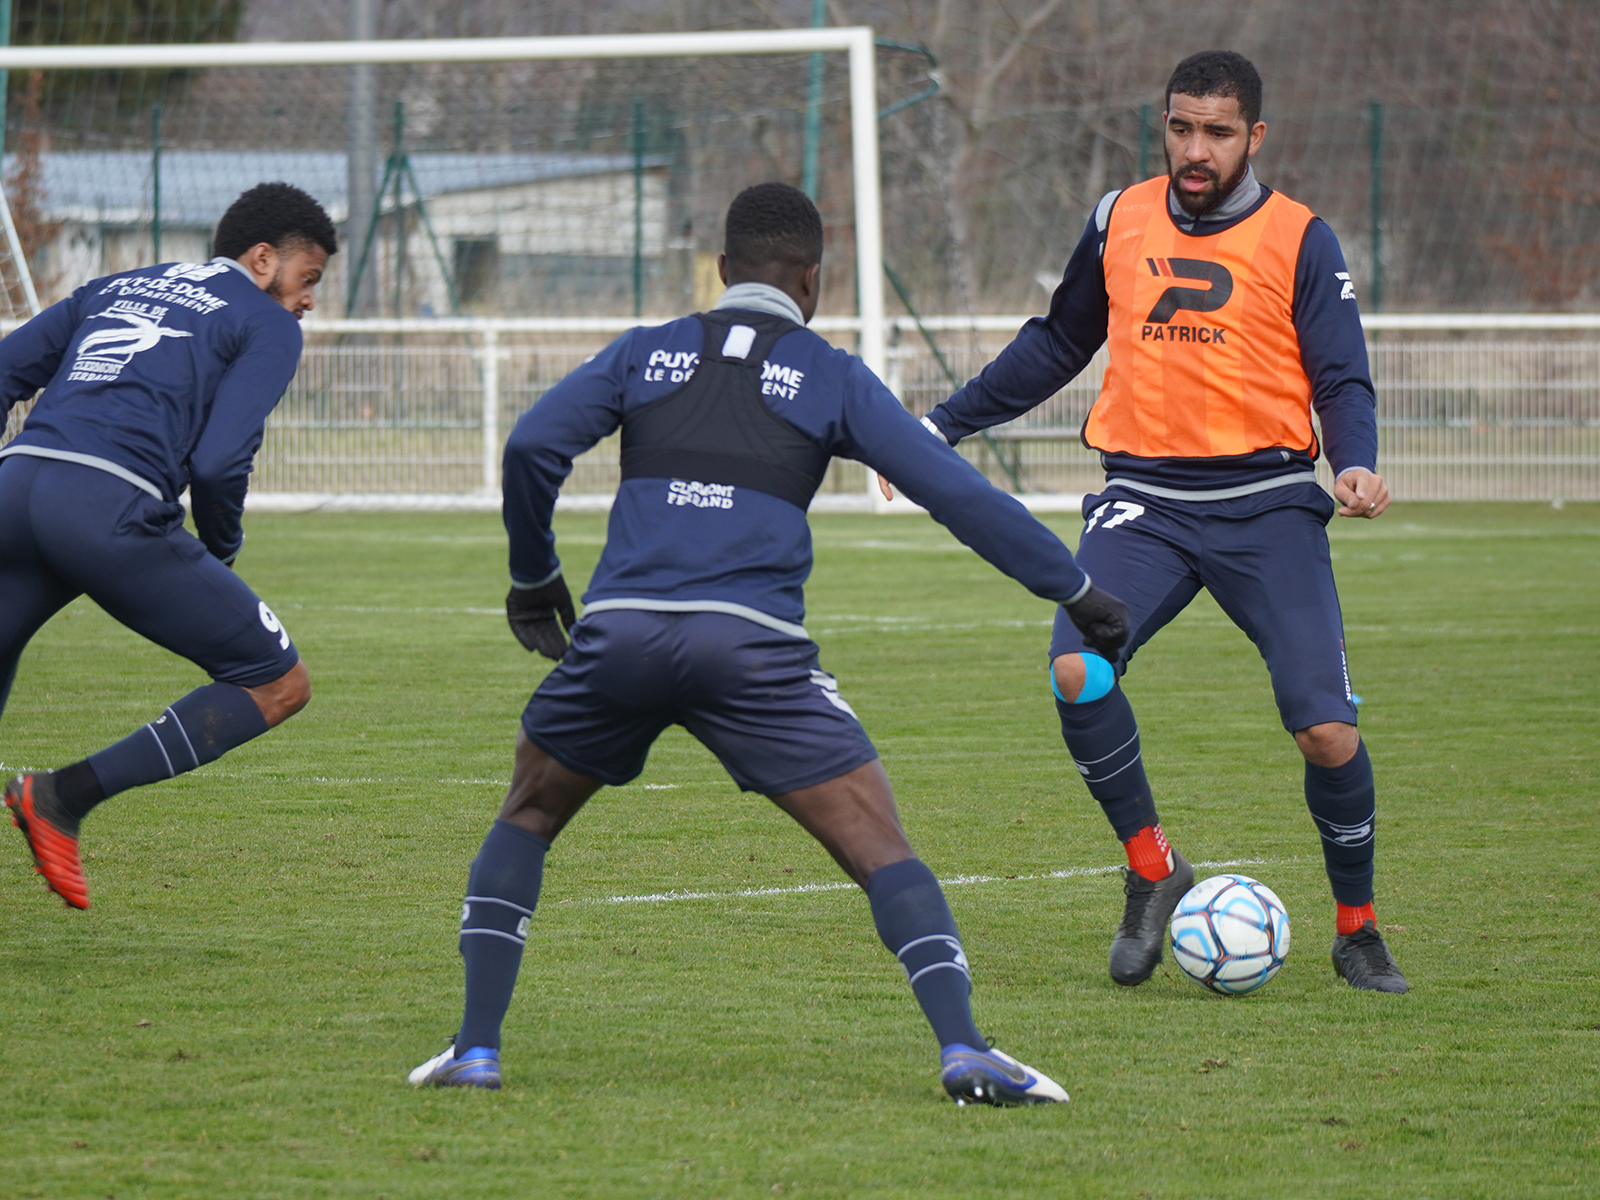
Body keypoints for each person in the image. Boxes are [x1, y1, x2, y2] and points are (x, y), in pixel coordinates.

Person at [407, 182, 1132, 1104]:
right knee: (877, 844)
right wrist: (1075, 589)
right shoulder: (829, 374)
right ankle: (964, 1049)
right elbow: (955, 493)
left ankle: (475, 1050)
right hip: (750, 652)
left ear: (722, 270)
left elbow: (530, 448)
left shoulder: (645, 350)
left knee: (528, 816)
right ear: (814, 281)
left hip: (619, 636)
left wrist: (532, 575)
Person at [889, 51, 1408, 993]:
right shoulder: (1117, 218)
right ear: (1164, 124)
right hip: (1145, 505)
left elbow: (1341, 377)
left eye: (1218, 132)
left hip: (1267, 507)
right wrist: (938, 426)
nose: (1196, 150)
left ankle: (1358, 930)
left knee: (1326, 732)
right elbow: (1057, 342)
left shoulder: (1302, 238)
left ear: (1255, 137)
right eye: (1181, 128)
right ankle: (1155, 869)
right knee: (1078, 671)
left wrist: (1357, 462)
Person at [0, 182, 336, 910]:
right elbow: (218, 462)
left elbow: (3, 372)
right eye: (307, 278)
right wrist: (220, 549)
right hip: (106, 509)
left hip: (14, 488)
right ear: (262, 259)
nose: (309, 299)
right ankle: (60, 797)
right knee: (276, 682)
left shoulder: (115, 286)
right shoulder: (268, 323)